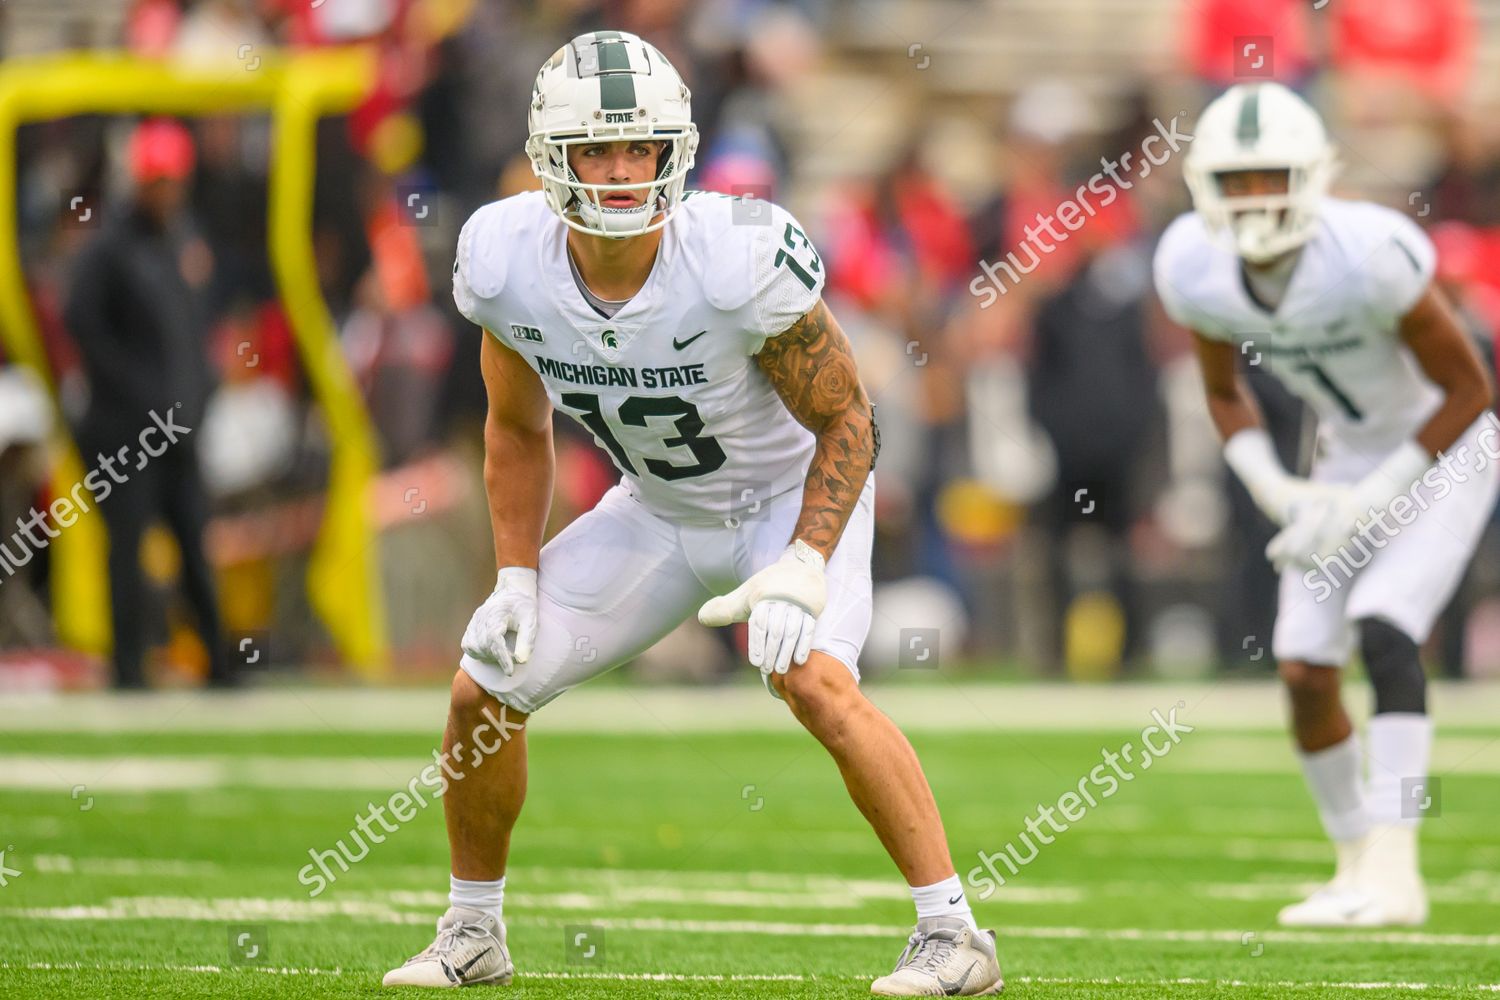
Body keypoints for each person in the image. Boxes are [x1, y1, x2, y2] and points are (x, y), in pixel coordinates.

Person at [383, 32, 1003, 996]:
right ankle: (474, 929)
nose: (625, 172)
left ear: (678, 149)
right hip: (660, 509)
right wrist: (513, 575)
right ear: (554, 155)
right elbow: (514, 430)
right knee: (481, 687)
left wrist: (804, 557)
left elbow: (849, 417)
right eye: (599, 149)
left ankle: (955, 935)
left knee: (815, 682)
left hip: (787, 501)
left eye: (642, 148)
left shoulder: (733, 256)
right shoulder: (506, 260)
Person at [1153, 82, 1497, 927]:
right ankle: (1354, 866)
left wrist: (1376, 498)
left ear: (1311, 175)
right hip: (1341, 458)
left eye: (1271, 174)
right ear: (1204, 185)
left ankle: (1399, 862)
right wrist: (1276, 489)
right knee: (1305, 664)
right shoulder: (1192, 264)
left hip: (1447, 449)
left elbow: (1470, 390)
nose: (1255, 196)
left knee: (1385, 627)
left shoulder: (1372, 250)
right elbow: (1224, 392)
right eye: (1236, 179)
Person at [63, 119, 232, 689]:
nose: (166, 192)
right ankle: (128, 669)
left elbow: (194, 328)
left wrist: (199, 393)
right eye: (156, 180)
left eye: (172, 180)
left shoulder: (184, 240)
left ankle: (221, 665)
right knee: (127, 548)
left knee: (193, 542)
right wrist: (140, 396)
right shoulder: (107, 248)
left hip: (178, 426)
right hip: (123, 432)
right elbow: (83, 327)